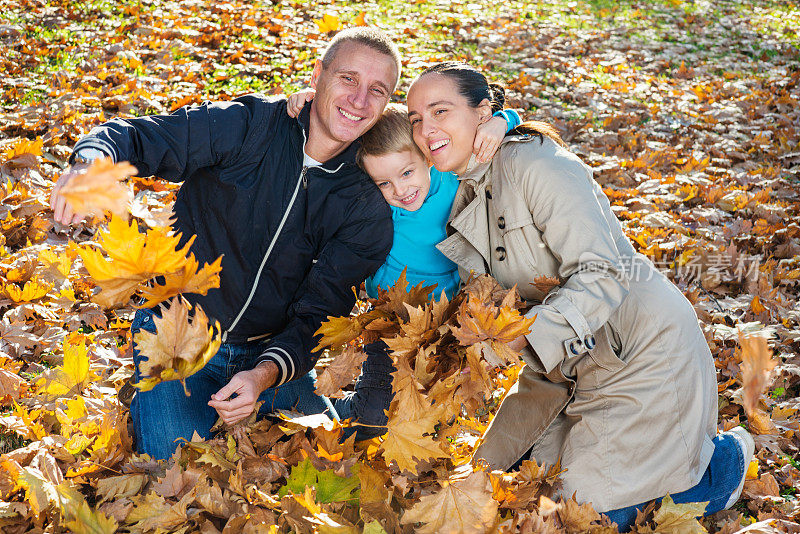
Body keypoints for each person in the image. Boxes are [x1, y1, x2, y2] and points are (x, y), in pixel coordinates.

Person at [405, 62, 755, 530]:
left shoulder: (536, 163)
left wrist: (524, 339)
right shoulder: (462, 186)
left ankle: (720, 464)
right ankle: (661, 454)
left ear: (482, 112)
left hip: (638, 350)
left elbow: (603, 273)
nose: (426, 130)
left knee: (588, 514)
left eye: (440, 111)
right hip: (564, 363)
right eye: (415, 119)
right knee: (510, 485)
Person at [49, 27, 402, 460]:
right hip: (179, 336)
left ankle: (308, 403)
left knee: (333, 458)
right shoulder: (249, 126)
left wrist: (263, 374)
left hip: (268, 355)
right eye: (348, 79)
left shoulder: (365, 202)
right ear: (317, 76)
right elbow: (143, 137)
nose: (359, 101)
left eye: (377, 90)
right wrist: (90, 163)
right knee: (174, 471)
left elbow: (319, 313)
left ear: (387, 105)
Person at [284, 96, 519, 435]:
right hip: (390, 318)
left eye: (407, 172)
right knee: (373, 421)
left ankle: (372, 401)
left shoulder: (452, 180)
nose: (400, 190)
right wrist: (305, 106)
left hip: (445, 317)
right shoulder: (377, 205)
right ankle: (348, 405)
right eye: (384, 183)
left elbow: (499, 131)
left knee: (435, 406)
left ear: (427, 156)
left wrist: (502, 119)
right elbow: (323, 155)